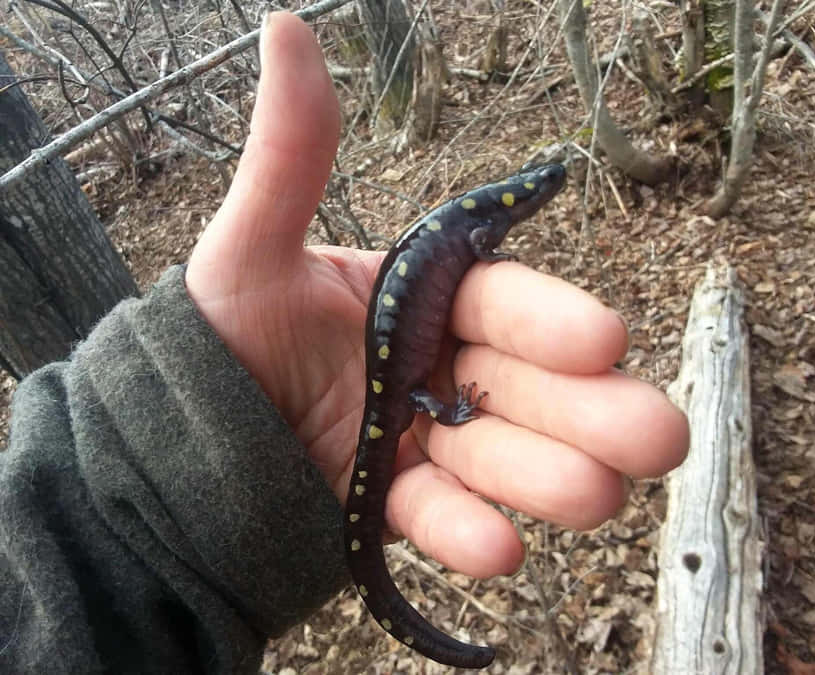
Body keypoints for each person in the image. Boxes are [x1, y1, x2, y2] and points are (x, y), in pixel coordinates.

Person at [0, 12, 689, 674]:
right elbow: (478, 247)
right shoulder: (480, 225)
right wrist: (446, 408)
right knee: (415, 415)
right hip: (404, 392)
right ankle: (434, 460)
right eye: (538, 188)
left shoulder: (481, 217)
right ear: (519, 199)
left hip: (400, 383)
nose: (541, 194)